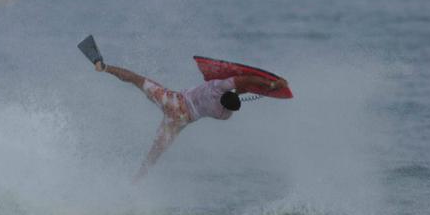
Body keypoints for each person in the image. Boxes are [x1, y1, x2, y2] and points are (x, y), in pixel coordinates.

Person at [93, 60, 288, 181]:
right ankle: (135, 181)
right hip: (179, 120)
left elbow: (244, 80)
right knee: (155, 153)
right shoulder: (223, 115)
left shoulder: (219, 86)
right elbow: (241, 89)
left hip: (172, 100)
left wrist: (272, 83)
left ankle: (104, 67)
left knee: (137, 80)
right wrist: (264, 86)